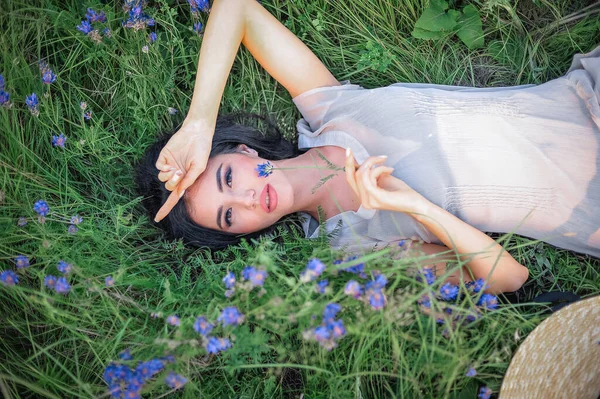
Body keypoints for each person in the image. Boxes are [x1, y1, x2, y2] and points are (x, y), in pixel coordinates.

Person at [135, 0, 600, 294]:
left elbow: (238, 8)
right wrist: (415, 205)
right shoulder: (352, 249)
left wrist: (199, 123)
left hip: (585, 95)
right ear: (239, 235)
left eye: (227, 178)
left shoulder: (328, 113)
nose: (246, 198)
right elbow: (507, 279)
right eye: (229, 215)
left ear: (244, 151)